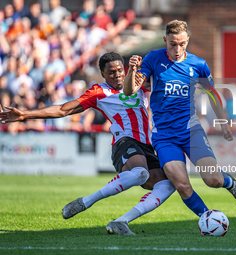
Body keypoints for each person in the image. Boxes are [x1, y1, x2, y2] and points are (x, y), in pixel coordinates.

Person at [0, 51, 175, 235]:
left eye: (119, 71)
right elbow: (62, 109)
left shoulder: (137, 83)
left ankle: (121, 221)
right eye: (111, 73)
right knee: (140, 173)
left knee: (167, 185)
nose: (117, 75)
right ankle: (86, 201)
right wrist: (25, 114)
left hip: (146, 146)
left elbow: (161, 79)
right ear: (103, 74)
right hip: (124, 142)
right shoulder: (99, 92)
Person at [124, 20, 236, 218]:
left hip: (191, 130)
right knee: (182, 185)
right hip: (164, 136)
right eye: (173, 44)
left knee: (212, 180)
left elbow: (213, 94)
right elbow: (130, 90)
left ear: (187, 41)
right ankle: (208, 218)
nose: (177, 49)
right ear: (165, 40)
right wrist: (131, 71)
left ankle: (228, 181)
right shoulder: (153, 59)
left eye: (182, 44)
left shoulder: (198, 64)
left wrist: (223, 123)